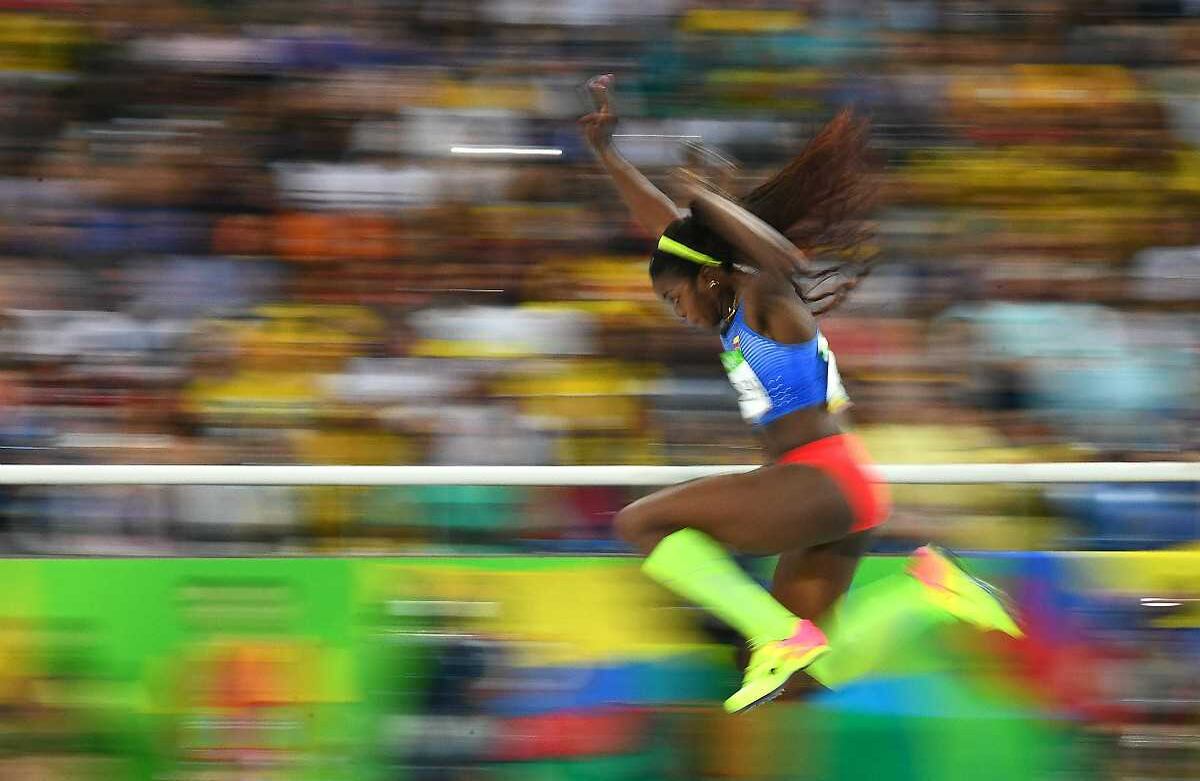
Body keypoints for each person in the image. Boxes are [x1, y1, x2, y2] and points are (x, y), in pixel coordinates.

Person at [579, 74, 1022, 715]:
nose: (676, 312)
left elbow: (785, 259)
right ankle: (927, 590)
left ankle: (775, 633)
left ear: (709, 279)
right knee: (808, 678)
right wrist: (608, 155)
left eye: (675, 298)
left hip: (818, 480)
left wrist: (707, 199)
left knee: (639, 522)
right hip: (841, 486)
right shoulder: (730, 304)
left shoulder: (763, 298)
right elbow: (665, 229)